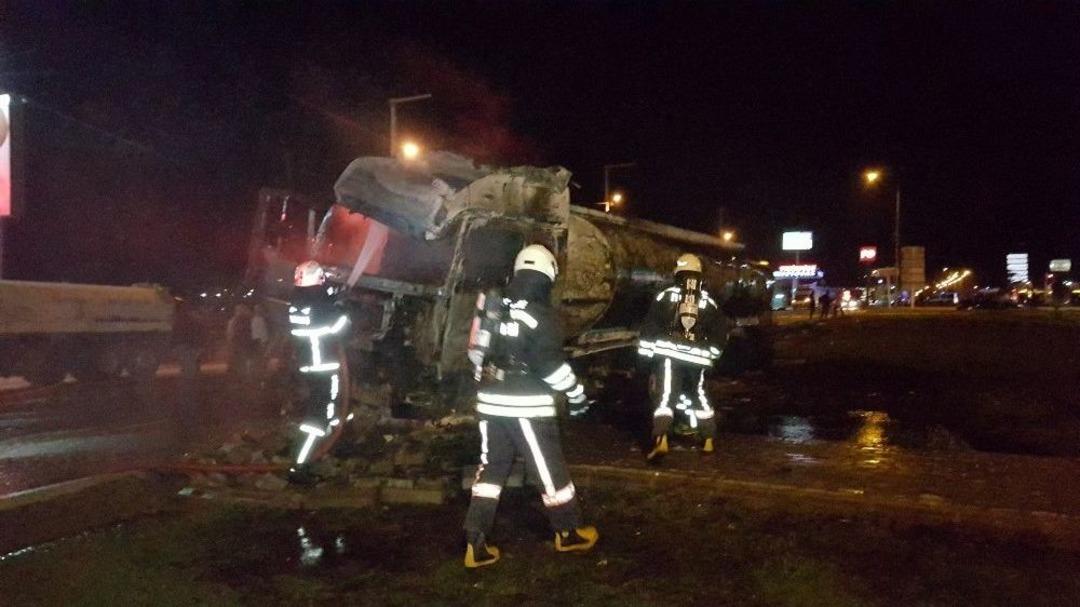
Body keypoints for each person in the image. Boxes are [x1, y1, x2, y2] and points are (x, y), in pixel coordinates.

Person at [462, 244, 598, 569]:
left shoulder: (493, 303)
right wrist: (578, 395)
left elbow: (475, 352)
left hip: (490, 399)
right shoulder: (541, 313)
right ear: (548, 274)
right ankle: (568, 533)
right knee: (549, 469)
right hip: (526, 404)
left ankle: (475, 540)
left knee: (492, 467)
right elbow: (550, 367)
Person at [638, 253, 727, 462]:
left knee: (666, 395)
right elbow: (720, 333)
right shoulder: (709, 302)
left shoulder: (665, 296)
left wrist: (646, 356)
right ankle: (708, 441)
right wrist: (711, 355)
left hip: (669, 356)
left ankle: (661, 439)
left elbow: (650, 328)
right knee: (699, 395)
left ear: (677, 273)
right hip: (699, 359)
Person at [287, 260, 350, 484]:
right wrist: (343, 310)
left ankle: (324, 449)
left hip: (312, 365)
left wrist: (333, 296)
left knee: (327, 409)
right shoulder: (318, 303)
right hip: (321, 364)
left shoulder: (298, 300)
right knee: (316, 418)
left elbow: (321, 303)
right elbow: (337, 328)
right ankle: (300, 466)